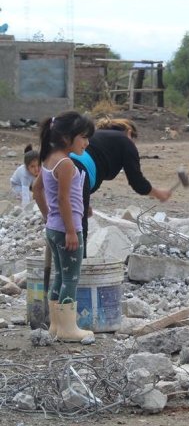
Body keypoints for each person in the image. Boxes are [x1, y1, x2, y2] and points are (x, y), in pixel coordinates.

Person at [32, 111, 96, 342]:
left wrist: (49, 217)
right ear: (67, 137)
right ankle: (69, 329)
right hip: (67, 229)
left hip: (53, 228)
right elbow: (63, 199)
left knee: (60, 275)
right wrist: (70, 229)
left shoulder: (49, 158)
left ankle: (56, 327)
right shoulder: (66, 163)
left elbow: (37, 190)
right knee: (71, 278)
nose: (87, 143)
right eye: (84, 137)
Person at [69, 117, 172, 255]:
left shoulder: (97, 136)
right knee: (79, 230)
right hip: (80, 174)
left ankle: (58, 266)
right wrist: (159, 193)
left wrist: (83, 202)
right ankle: (77, 269)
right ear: (129, 132)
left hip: (63, 165)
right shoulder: (125, 141)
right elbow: (137, 182)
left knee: (62, 219)